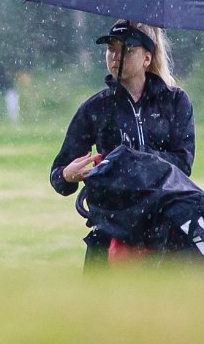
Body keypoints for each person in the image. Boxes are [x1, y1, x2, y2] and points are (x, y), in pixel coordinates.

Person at [48, 20, 196, 269]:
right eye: (111, 49)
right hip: (109, 231)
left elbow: (182, 164)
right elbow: (58, 178)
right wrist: (68, 174)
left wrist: (130, 159)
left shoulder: (175, 102)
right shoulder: (95, 108)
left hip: (164, 230)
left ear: (147, 58)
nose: (115, 56)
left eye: (126, 49)